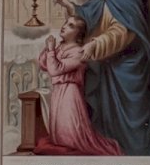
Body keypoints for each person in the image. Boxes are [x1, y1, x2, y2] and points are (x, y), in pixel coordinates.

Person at [53, 0, 150, 155]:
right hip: (108, 66)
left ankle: (137, 158)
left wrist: (95, 44)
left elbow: (123, 31)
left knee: (131, 120)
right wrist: (71, 7)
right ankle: (112, 154)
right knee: (107, 120)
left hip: (129, 66)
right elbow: (88, 16)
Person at [32, 17, 121, 156]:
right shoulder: (60, 47)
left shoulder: (79, 52)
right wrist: (49, 50)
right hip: (58, 91)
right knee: (58, 134)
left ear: (78, 35)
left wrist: (50, 51)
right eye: (66, 23)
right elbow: (44, 65)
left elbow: (55, 70)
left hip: (70, 93)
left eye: (71, 26)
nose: (64, 26)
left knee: (71, 134)